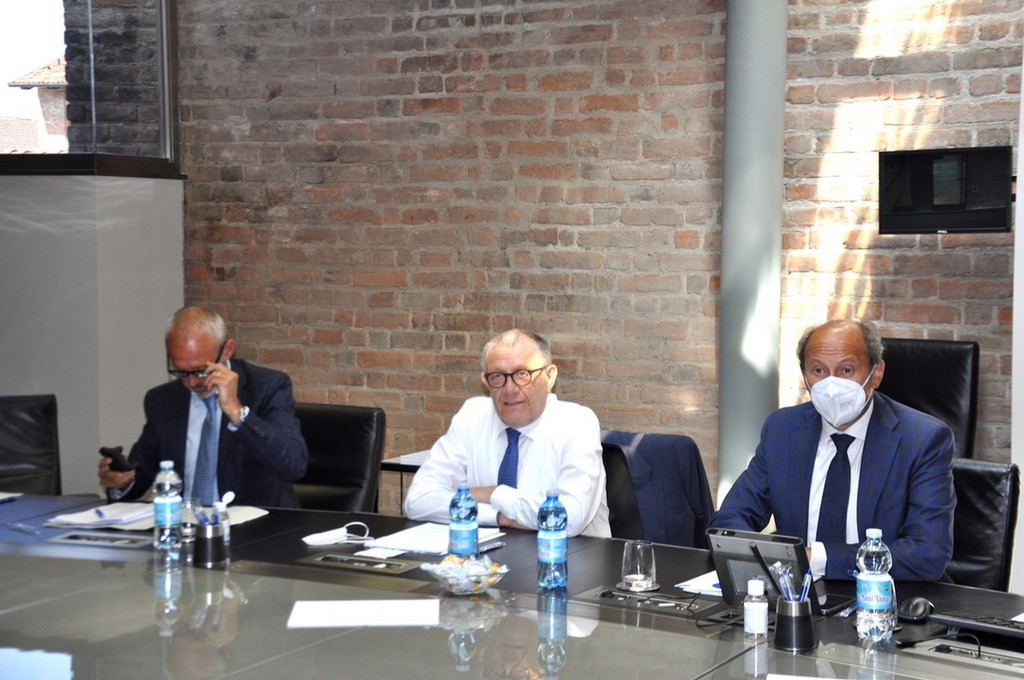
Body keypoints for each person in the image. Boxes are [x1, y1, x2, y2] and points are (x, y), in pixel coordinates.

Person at [710, 319, 955, 581]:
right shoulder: (783, 430)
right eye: (818, 370)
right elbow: (730, 519)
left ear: (876, 373)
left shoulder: (922, 439)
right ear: (805, 375)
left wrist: (816, 559)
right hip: (798, 592)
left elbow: (927, 553)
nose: (832, 385)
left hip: (885, 593)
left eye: (846, 370)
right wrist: (757, 557)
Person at [404, 329, 610, 538]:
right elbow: (418, 501)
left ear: (549, 377)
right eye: (498, 376)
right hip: (486, 554)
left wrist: (493, 493)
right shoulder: (472, 416)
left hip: (569, 554)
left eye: (522, 374)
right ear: (486, 382)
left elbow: (568, 518)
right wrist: (498, 516)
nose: (510, 389)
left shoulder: (577, 422)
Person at [98, 306, 308, 507]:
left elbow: (293, 465)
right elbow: (143, 472)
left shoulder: (267, 387)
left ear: (227, 350)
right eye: (181, 371)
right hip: (184, 522)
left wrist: (236, 411)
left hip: (256, 524)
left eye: (200, 371)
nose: (191, 382)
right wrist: (121, 481)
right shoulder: (162, 400)